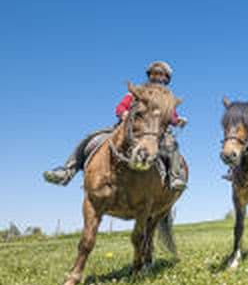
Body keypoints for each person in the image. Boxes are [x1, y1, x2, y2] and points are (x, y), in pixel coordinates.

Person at [43, 61, 188, 190]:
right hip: (129, 129)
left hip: (155, 134)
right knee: (91, 139)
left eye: (161, 74)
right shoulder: (136, 92)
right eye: (154, 74)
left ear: (167, 79)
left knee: (171, 146)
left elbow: (171, 117)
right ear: (149, 75)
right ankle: (67, 171)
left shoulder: (168, 99)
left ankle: (175, 177)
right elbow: (120, 107)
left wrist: (178, 121)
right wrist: (124, 114)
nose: (157, 77)